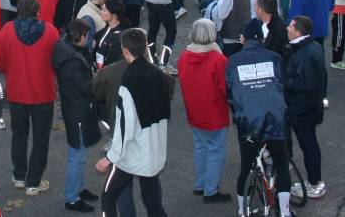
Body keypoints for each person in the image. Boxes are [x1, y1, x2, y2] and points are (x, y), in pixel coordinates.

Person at [95, 28, 173, 216]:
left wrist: (110, 157)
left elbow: (125, 127)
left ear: (125, 51)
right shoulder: (159, 75)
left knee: (108, 197)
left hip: (130, 155)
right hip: (153, 153)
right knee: (153, 203)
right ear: (145, 48)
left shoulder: (128, 80)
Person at [0, 0, 60, 196]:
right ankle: (34, 181)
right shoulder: (51, 31)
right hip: (43, 93)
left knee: (19, 135)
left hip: (17, 92)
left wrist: (12, 71)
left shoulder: (7, 31)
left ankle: (20, 176)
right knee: (41, 138)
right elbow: (58, 59)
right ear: (37, 11)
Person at [227, 21, 294, 217]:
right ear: (262, 38)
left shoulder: (233, 61)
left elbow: (229, 93)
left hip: (248, 122)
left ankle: (242, 210)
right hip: (274, 121)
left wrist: (238, 115)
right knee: (281, 164)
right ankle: (285, 211)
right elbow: (283, 86)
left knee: (245, 168)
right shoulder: (274, 58)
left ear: (244, 39)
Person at [177, 18, 231, 204]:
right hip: (215, 113)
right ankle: (211, 190)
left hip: (194, 112)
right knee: (216, 151)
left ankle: (200, 185)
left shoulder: (184, 57)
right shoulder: (219, 59)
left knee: (200, 148)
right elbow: (225, 88)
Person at [53, 18, 101, 212]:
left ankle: (79, 189)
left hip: (72, 107)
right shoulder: (73, 61)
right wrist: (99, 79)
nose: (88, 39)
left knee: (78, 153)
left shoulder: (64, 49)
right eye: (86, 36)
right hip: (78, 110)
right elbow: (86, 88)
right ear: (80, 37)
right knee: (77, 155)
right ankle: (72, 198)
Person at [284, 15, 328, 200]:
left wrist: (285, 80)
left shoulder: (304, 53)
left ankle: (314, 183)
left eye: (291, 26)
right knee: (310, 144)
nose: (287, 28)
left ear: (298, 32)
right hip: (309, 107)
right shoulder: (313, 46)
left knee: (309, 145)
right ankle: (314, 181)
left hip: (303, 110)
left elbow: (305, 83)